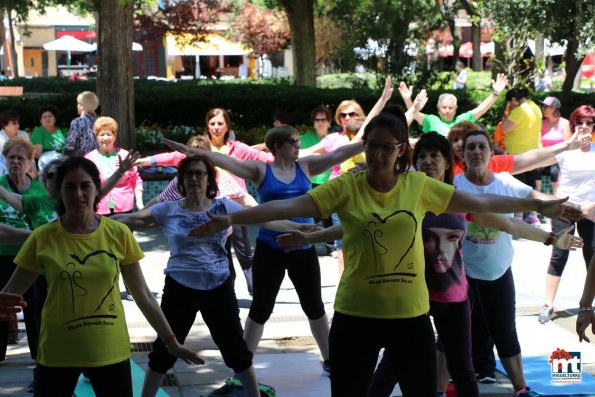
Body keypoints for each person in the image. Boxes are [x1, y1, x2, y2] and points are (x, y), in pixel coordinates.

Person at [184, 111, 573, 397]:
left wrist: (543, 205)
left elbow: (478, 199)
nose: (380, 154)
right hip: (356, 318)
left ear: (401, 149)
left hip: (411, 319)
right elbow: (289, 207)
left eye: (389, 147)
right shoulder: (347, 187)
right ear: (364, 147)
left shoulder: (419, 186)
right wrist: (230, 218)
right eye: (373, 146)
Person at [278, 132, 582, 397]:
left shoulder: (457, 200)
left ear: (447, 161)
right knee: (390, 368)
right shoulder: (407, 195)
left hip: (453, 297)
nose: (427, 161)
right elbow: (359, 224)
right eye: (421, 156)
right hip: (415, 300)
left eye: (434, 155)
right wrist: (314, 235)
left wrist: (549, 237)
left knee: (462, 367)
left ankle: (510, 389)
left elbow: (505, 223)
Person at [163, 125, 370, 378]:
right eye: (293, 142)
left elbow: (338, 154)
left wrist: (370, 141)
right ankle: (244, 364)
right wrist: (190, 151)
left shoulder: (305, 167)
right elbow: (228, 161)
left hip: (303, 247)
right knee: (261, 308)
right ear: (277, 146)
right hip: (270, 248)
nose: (298, 146)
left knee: (314, 306)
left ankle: (329, 360)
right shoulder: (262, 170)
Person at [0, 157, 203, 397]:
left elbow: (144, 295)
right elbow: (9, 295)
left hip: (110, 352)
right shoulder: (42, 238)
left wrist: (171, 342)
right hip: (58, 352)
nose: (78, 194)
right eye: (69, 187)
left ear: (97, 189)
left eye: (85, 185)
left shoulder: (118, 233)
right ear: (58, 192)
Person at [112, 155, 298, 397]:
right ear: (181, 180)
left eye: (200, 173)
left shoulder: (223, 207)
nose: (194, 178)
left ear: (209, 179)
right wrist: (92, 221)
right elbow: (128, 220)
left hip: (219, 286)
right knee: (163, 351)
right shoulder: (168, 209)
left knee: (236, 350)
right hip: (180, 287)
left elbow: (261, 217)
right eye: (189, 174)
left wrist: (300, 228)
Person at [453, 128, 580, 397]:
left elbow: (536, 198)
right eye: (470, 148)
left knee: (505, 333)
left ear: (490, 152)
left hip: (498, 272)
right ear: (462, 155)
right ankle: (445, 386)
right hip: (462, 274)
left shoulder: (505, 182)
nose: (476, 152)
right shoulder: (455, 186)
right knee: (454, 335)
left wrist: (561, 204)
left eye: (481, 147)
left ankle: (521, 388)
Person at [537, 105, 595, 324]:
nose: (584, 127)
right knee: (559, 253)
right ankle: (548, 304)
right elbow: (540, 161)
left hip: (591, 211)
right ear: (573, 125)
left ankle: (589, 305)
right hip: (564, 209)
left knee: (592, 256)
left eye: (589, 123)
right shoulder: (564, 150)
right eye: (579, 122)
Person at [0, 138, 47, 367]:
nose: (15, 162)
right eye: (11, 157)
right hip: (2, 257)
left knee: (34, 308)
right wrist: (29, 236)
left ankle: (39, 356)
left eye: (21, 158)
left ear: (30, 162)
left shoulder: (40, 189)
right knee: (2, 303)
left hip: (32, 258)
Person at [399, 73, 508, 136]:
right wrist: (407, 99)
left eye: (450, 107)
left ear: (456, 109)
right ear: (438, 109)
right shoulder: (431, 120)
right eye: (444, 107)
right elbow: (414, 113)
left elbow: (481, 109)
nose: (447, 110)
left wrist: (496, 93)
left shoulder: (462, 120)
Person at [84, 117, 144, 216]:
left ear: (115, 136)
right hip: (99, 208)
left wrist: (139, 202)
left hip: (124, 208)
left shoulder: (125, 155)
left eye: (109, 134)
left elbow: (136, 180)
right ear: (96, 137)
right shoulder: (88, 158)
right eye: (102, 134)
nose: (105, 138)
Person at [500, 87, 543, 224]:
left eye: (510, 102)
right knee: (531, 185)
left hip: (518, 155)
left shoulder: (519, 111)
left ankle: (518, 218)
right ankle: (533, 216)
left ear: (514, 99)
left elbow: (504, 128)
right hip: (533, 153)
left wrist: (511, 112)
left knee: (517, 186)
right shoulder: (536, 107)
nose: (509, 105)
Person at [535, 96, 571, 195]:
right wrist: (544, 155)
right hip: (544, 155)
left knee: (554, 171)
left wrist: (554, 156)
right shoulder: (542, 123)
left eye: (546, 107)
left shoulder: (564, 123)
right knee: (537, 170)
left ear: (554, 108)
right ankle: (537, 202)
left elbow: (566, 144)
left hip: (558, 156)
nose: (543, 109)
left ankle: (554, 199)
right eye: (543, 106)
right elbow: (539, 142)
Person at [65, 91, 99, 157]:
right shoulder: (100, 121)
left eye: (78, 104)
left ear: (82, 106)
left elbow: (70, 144)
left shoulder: (77, 122)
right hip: (98, 157)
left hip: (83, 159)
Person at [0, 110, 30, 176]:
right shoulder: (0, 138)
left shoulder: (23, 134)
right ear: (5, 125)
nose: (17, 126)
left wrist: (32, 166)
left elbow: (30, 153)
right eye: (14, 123)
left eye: (18, 123)